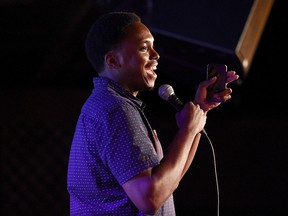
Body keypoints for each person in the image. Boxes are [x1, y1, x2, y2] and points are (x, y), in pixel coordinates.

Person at [67, 11, 239, 216]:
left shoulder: (110, 105)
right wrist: (187, 130)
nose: (156, 55)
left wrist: (198, 113)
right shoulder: (115, 109)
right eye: (144, 48)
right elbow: (150, 198)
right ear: (113, 61)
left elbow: (167, 184)